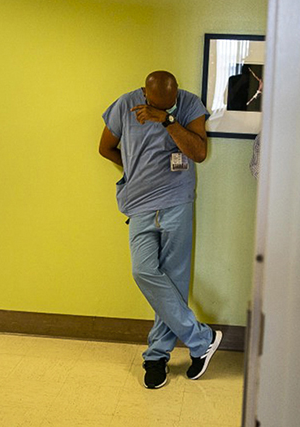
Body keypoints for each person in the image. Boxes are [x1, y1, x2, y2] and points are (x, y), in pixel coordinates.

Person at [98, 71, 223, 389]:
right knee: (144, 272)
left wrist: (167, 120)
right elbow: (105, 148)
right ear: (144, 92)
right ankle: (201, 339)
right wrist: (136, 169)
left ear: (177, 93)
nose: (167, 106)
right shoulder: (125, 105)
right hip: (139, 202)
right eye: (156, 104)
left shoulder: (190, 105)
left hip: (177, 202)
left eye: (171, 102)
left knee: (175, 279)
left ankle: (156, 357)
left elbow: (198, 153)